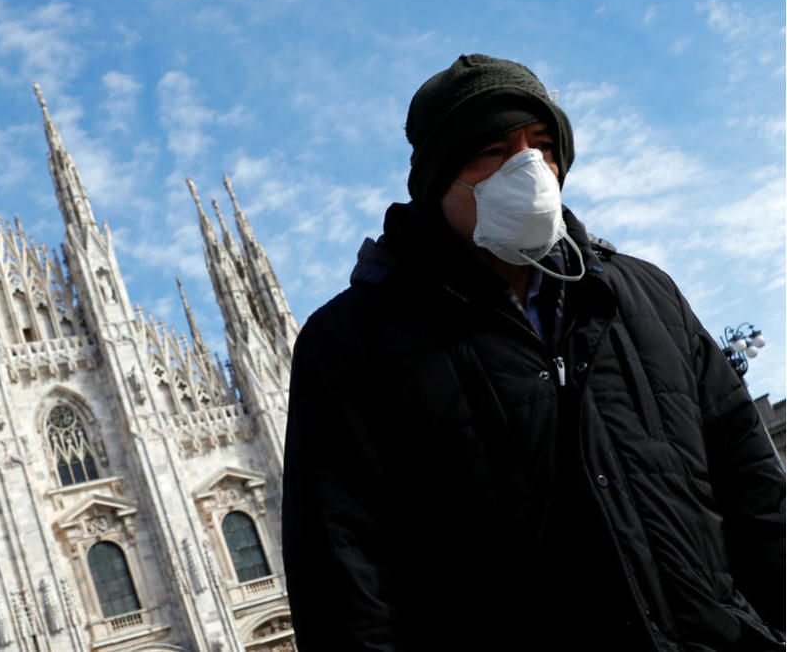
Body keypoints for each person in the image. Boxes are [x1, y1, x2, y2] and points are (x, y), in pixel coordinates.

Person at [281, 54, 785, 651]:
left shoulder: (644, 295)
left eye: (542, 145)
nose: (529, 169)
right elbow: (344, 586)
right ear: (441, 178)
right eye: (493, 152)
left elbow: (755, 490)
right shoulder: (352, 344)